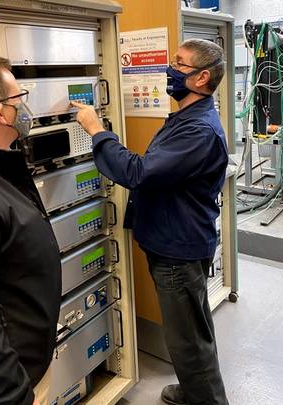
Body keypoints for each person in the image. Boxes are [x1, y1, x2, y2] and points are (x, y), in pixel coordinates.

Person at [73, 38, 229, 405]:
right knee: (191, 329)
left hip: (179, 248)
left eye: (179, 64)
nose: (169, 70)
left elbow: (139, 172)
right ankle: (194, 390)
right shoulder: (189, 117)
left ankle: (204, 398)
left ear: (201, 77)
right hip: (174, 238)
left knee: (187, 338)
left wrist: (97, 130)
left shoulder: (198, 130)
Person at [0, 51, 61, 405]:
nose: (24, 108)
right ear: (0, 113)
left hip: (25, 364)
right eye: (19, 98)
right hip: (10, 384)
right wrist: (14, 395)